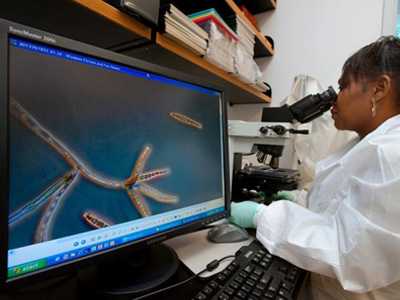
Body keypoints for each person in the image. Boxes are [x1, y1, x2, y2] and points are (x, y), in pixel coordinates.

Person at [229, 36, 400, 300]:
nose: (334, 101)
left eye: (343, 87)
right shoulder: (370, 143)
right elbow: (340, 209)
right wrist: (299, 200)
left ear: (379, 89)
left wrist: (260, 216)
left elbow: (349, 254)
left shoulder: (391, 153)